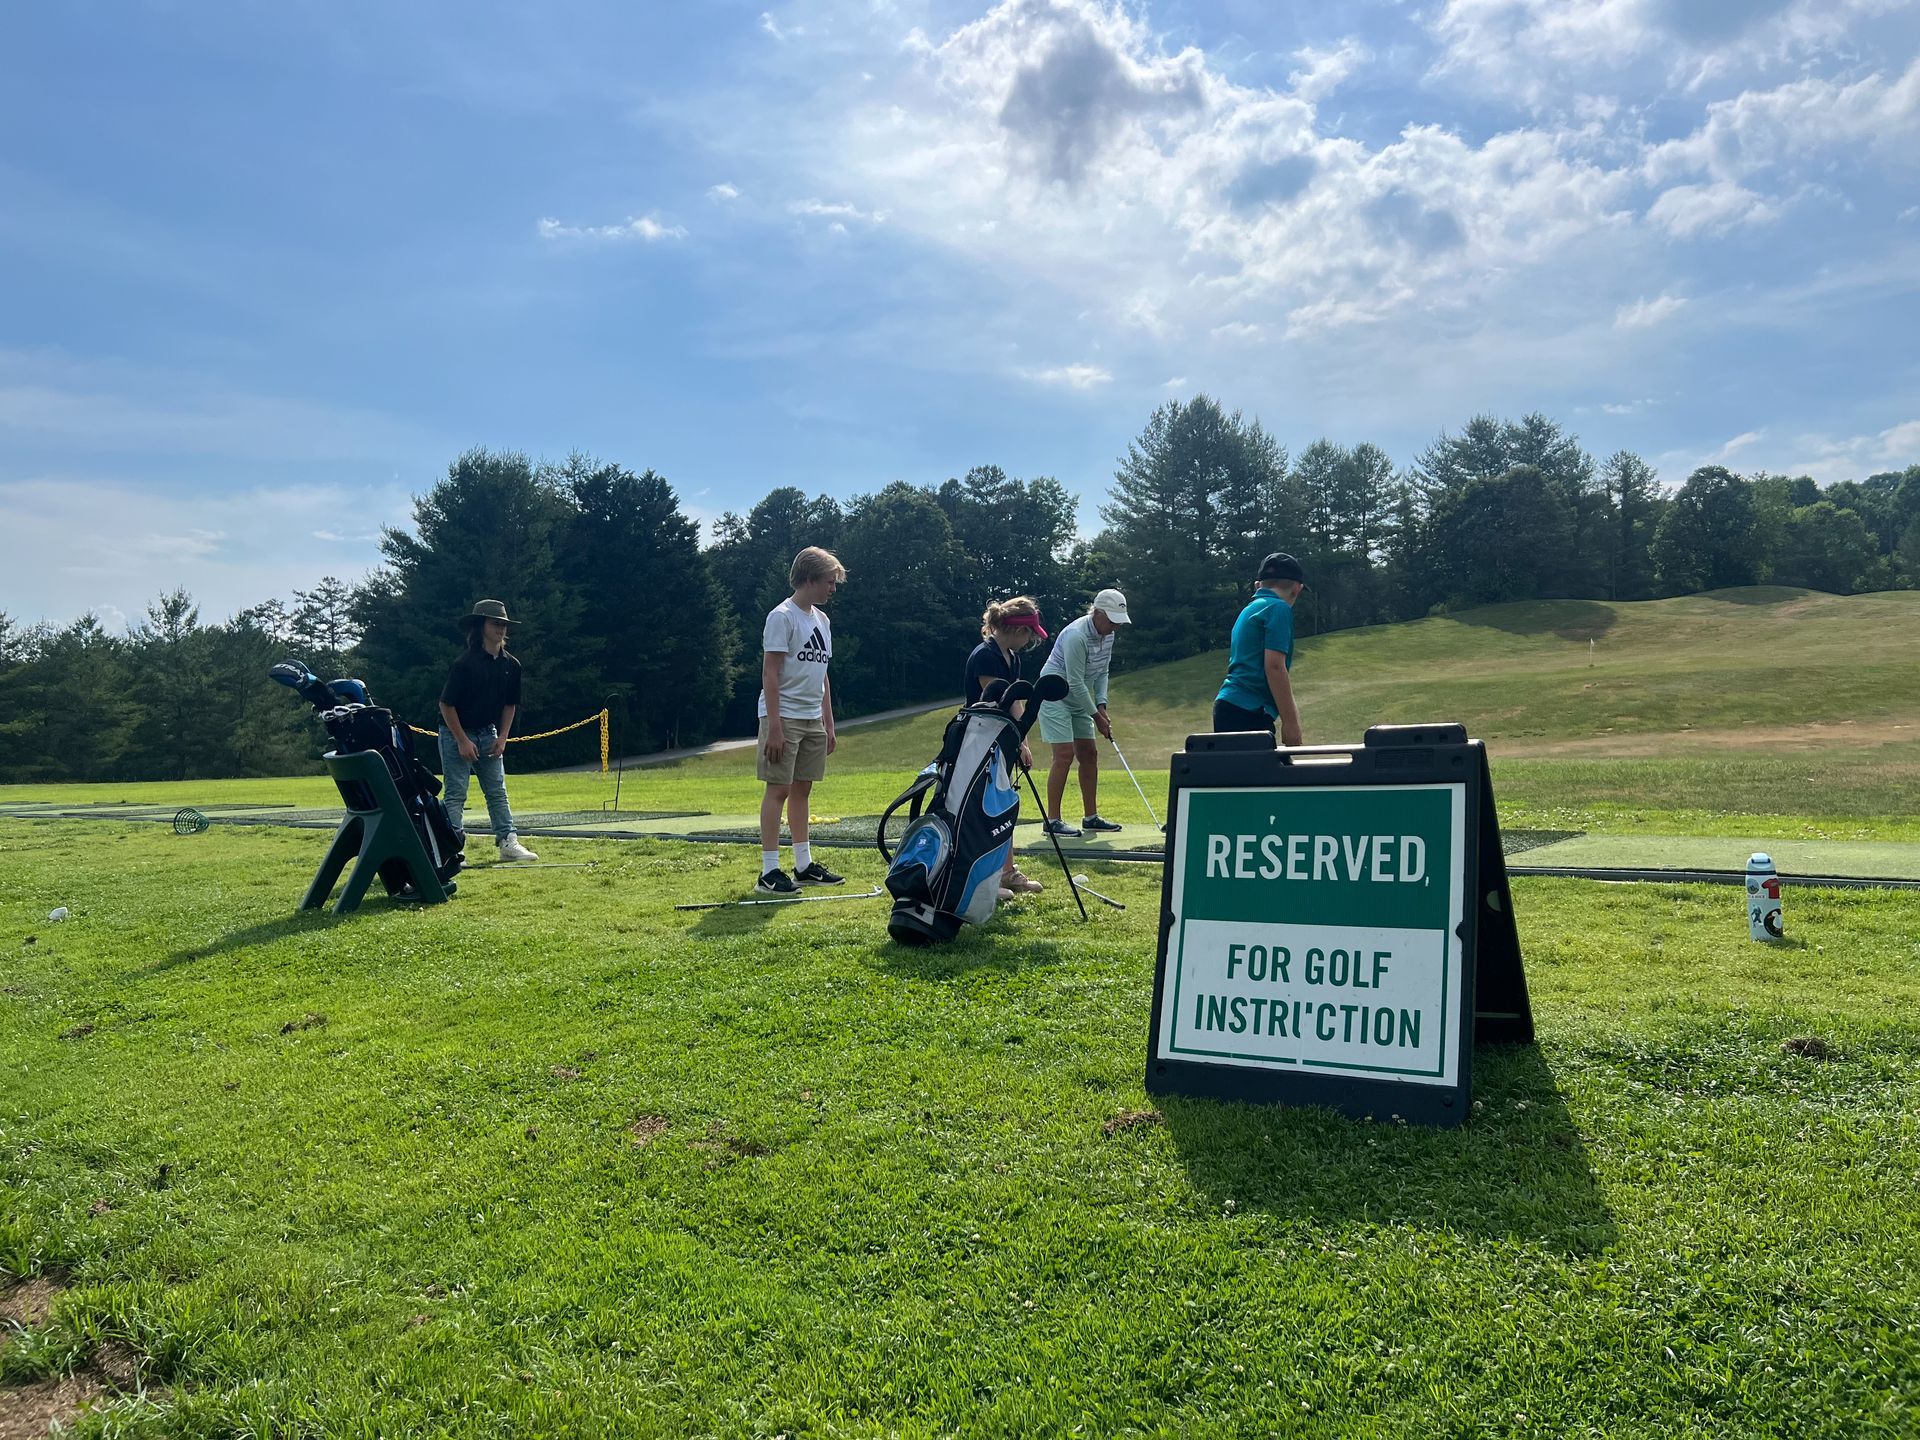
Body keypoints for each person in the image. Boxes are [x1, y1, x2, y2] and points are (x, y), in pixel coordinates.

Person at [756, 547, 847, 895]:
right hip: (784, 716)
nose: (832, 589)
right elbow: (771, 672)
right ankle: (769, 871)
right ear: (809, 579)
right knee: (778, 788)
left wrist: (829, 722)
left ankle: (804, 866)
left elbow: (822, 676)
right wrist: (775, 726)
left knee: (803, 788)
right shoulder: (781, 617)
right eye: (829, 582)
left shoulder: (822, 621)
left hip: (812, 718)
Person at [438, 599, 538, 863]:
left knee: (497, 791)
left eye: (504, 625)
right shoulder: (464, 664)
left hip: (489, 733)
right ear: (481, 626)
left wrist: (503, 737)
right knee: (456, 793)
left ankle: (508, 842)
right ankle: (451, 849)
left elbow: (509, 705)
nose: (501, 629)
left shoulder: (511, 665)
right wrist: (461, 741)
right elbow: (446, 705)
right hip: (456, 733)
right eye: (495, 624)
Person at [964, 596, 1049, 898]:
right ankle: (989, 877)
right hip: (981, 741)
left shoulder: (1012, 657)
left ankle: (1007, 874)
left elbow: (1018, 702)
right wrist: (1020, 740)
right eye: (1028, 634)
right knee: (987, 808)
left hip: (1001, 739)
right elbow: (1001, 698)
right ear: (1015, 629)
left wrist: (1021, 740)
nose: (1029, 641)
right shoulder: (986, 656)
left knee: (1003, 804)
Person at [1037, 587, 1130, 838]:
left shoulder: (1107, 634)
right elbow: (1076, 682)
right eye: (1111, 620)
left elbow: (1102, 672)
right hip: (1054, 693)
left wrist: (1102, 705)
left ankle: (1091, 817)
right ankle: (1052, 820)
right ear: (1097, 613)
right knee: (1065, 755)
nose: (1115, 626)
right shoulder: (1076, 635)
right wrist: (1096, 717)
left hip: (1078, 696)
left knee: (1089, 753)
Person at [1213, 552, 1306, 746]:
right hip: (1249, 710)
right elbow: (1274, 667)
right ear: (1297, 589)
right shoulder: (1278, 609)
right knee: (1266, 775)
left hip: (1229, 704)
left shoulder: (1250, 609)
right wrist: (1291, 724)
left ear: (1258, 585)